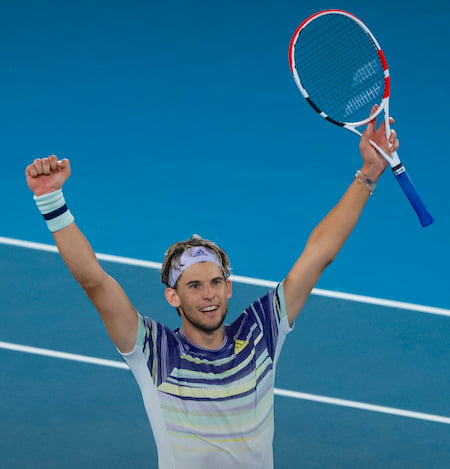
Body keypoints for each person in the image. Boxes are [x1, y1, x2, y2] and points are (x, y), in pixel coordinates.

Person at [25, 106, 398, 469]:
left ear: (229, 287)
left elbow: (319, 254)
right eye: (195, 285)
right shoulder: (154, 351)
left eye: (217, 282)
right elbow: (94, 281)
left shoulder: (260, 334)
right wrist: (51, 199)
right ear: (173, 296)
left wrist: (368, 173)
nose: (209, 294)